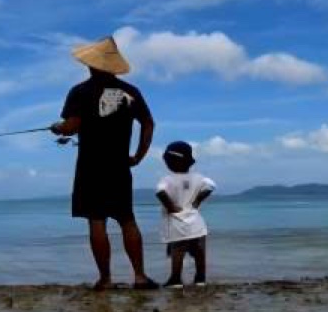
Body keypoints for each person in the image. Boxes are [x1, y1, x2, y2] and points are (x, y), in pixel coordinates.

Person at [50, 36, 158, 290]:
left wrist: (58, 128)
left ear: (91, 64)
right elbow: (148, 123)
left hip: (90, 167)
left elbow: (71, 127)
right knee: (127, 220)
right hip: (119, 166)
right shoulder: (131, 92)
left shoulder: (79, 92)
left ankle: (106, 279)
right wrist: (139, 156)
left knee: (96, 222)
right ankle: (140, 277)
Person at [155, 140, 215, 288]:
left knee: (177, 252)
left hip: (177, 222)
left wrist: (170, 207)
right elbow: (211, 185)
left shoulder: (167, 179)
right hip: (196, 222)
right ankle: (200, 279)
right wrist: (199, 200)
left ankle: (175, 279)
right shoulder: (199, 178)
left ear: (169, 162)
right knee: (200, 252)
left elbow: (160, 192)